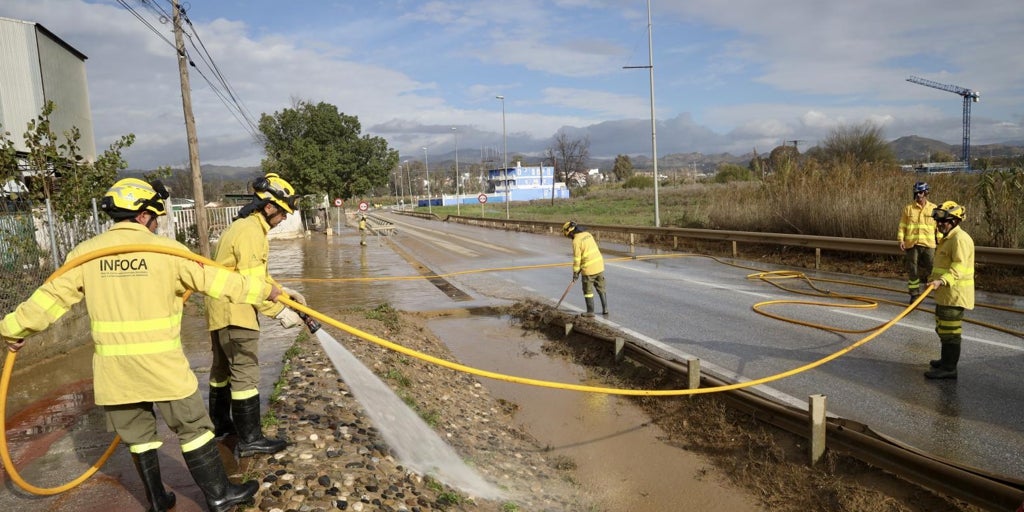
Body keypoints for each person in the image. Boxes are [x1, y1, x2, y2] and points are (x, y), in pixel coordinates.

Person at [1, 178, 281, 512]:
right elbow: (219, 281)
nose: (158, 223)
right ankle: (219, 495)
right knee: (194, 429)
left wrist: (13, 329)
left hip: (114, 371)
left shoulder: (85, 254)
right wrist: (267, 293)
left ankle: (158, 500)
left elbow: (48, 300)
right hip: (163, 367)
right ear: (144, 215)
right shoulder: (166, 252)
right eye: (156, 216)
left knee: (138, 435)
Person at [206, 172, 306, 457]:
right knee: (245, 374)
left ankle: (222, 425)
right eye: (283, 212)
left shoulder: (244, 227)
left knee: (222, 371)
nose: (285, 218)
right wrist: (281, 313)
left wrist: (283, 291)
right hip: (237, 312)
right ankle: (250, 439)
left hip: (220, 310)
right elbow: (251, 287)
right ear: (270, 206)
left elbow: (258, 275)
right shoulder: (251, 232)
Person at [923, 201, 974, 380]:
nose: (939, 225)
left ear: (954, 221)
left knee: (951, 333)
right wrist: (932, 280)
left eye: (943, 221)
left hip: (954, 295)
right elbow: (942, 265)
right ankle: (945, 360)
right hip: (944, 294)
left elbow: (959, 267)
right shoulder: (947, 238)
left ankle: (949, 368)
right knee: (942, 329)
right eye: (938, 221)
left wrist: (942, 281)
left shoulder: (960, 239)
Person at [897, 181, 939, 304]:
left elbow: (938, 227)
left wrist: (941, 241)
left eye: (920, 192)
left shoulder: (933, 208)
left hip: (928, 244)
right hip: (912, 244)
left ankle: (939, 294)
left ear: (926, 193)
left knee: (933, 269)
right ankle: (914, 294)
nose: (918, 195)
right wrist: (901, 239)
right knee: (912, 269)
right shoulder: (908, 209)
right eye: (916, 193)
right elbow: (902, 226)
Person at [562, 221, 607, 317]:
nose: (569, 237)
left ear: (570, 232)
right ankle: (605, 309)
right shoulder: (588, 234)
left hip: (589, 269)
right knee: (601, 288)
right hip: (599, 265)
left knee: (588, 291)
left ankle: (590, 312)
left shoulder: (576, 241)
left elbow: (577, 259)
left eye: (568, 235)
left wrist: (575, 273)